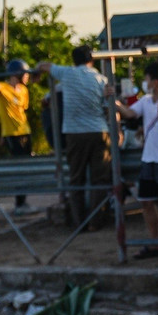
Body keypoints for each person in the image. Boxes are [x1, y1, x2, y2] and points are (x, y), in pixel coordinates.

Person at [114, 61, 158, 260]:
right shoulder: (146, 101)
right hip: (149, 159)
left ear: (155, 81)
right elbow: (130, 113)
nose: (145, 82)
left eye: (146, 79)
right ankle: (155, 243)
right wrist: (115, 102)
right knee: (146, 202)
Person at [36, 46, 109, 230]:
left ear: (73, 60)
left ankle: (79, 223)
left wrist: (37, 72)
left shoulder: (66, 73)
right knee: (99, 180)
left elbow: (45, 65)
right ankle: (96, 222)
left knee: (76, 179)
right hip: (98, 131)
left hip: (74, 133)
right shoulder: (100, 79)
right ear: (92, 59)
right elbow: (107, 105)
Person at [0, 58, 36, 216]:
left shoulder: (24, 90)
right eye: (25, 74)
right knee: (20, 169)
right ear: (16, 74)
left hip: (25, 131)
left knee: (26, 169)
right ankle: (19, 204)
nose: (27, 77)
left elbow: (21, 110)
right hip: (12, 134)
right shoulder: (3, 87)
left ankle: (23, 201)